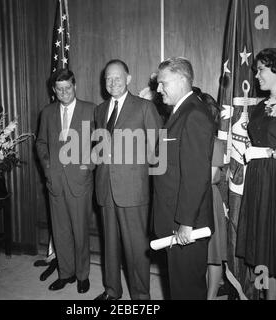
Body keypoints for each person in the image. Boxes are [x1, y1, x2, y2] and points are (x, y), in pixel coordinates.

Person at [236, 48, 276, 300]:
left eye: (261, 69)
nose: (256, 75)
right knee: (264, 249)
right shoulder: (260, 107)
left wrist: (269, 152)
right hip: (259, 184)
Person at [94, 59, 162, 300]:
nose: (112, 83)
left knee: (135, 249)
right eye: (108, 78)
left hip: (133, 190)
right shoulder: (100, 110)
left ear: (128, 79)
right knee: (109, 245)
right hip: (105, 188)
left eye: (117, 78)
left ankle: (141, 297)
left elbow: (157, 150)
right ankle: (112, 291)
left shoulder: (144, 107)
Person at [153, 57, 215, 299]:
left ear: (181, 80)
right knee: (179, 286)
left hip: (186, 223)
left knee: (187, 289)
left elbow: (196, 175)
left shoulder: (194, 114)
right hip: (175, 217)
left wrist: (186, 222)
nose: (158, 89)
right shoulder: (181, 112)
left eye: (162, 83)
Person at [36, 69, 95, 294]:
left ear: (75, 86)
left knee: (80, 231)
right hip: (55, 182)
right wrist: (47, 168)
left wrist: (86, 167)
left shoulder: (90, 109)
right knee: (60, 231)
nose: (64, 93)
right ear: (54, 90)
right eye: (59, 89)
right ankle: (65, 273)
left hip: (80, 182)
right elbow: (41, 143)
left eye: (67, 88)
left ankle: (82, 275)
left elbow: (101, 143)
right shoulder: (48, 112)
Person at [193, 87, 228, 299]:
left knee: (212, 255)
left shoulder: (215, 143)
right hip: (192, 199)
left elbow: (208, 176)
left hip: (208, 201)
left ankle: (211, 295)